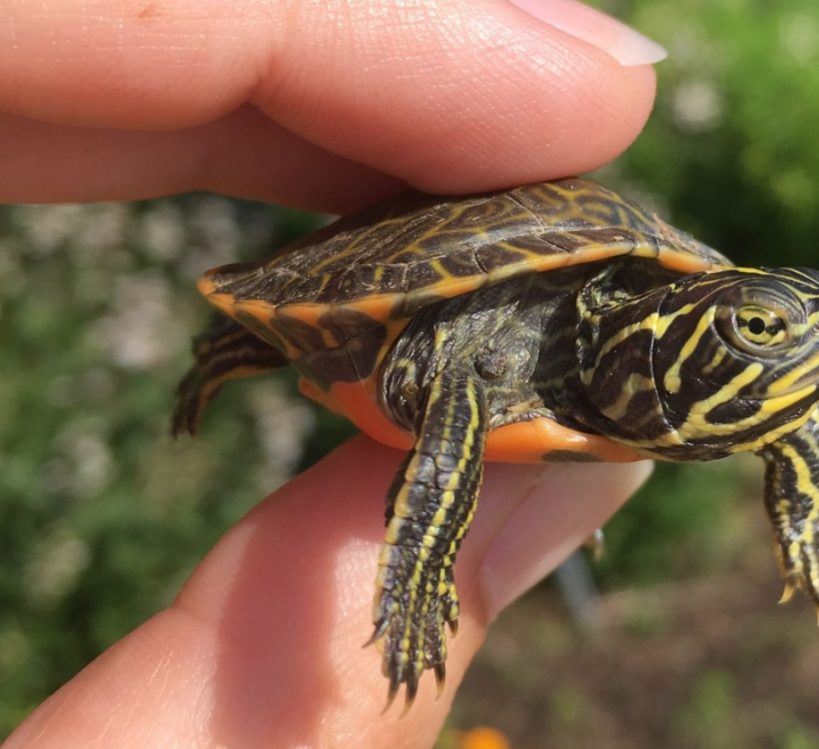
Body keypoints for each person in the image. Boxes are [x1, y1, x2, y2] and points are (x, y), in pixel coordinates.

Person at [1, 1, 663, 745]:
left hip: (507, 356)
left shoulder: (657, 353)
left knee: (471, 387)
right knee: (458, 380)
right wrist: (422, 568)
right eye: (759, 331)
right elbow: (458, 396)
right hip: (426, 316)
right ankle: (251, 363)